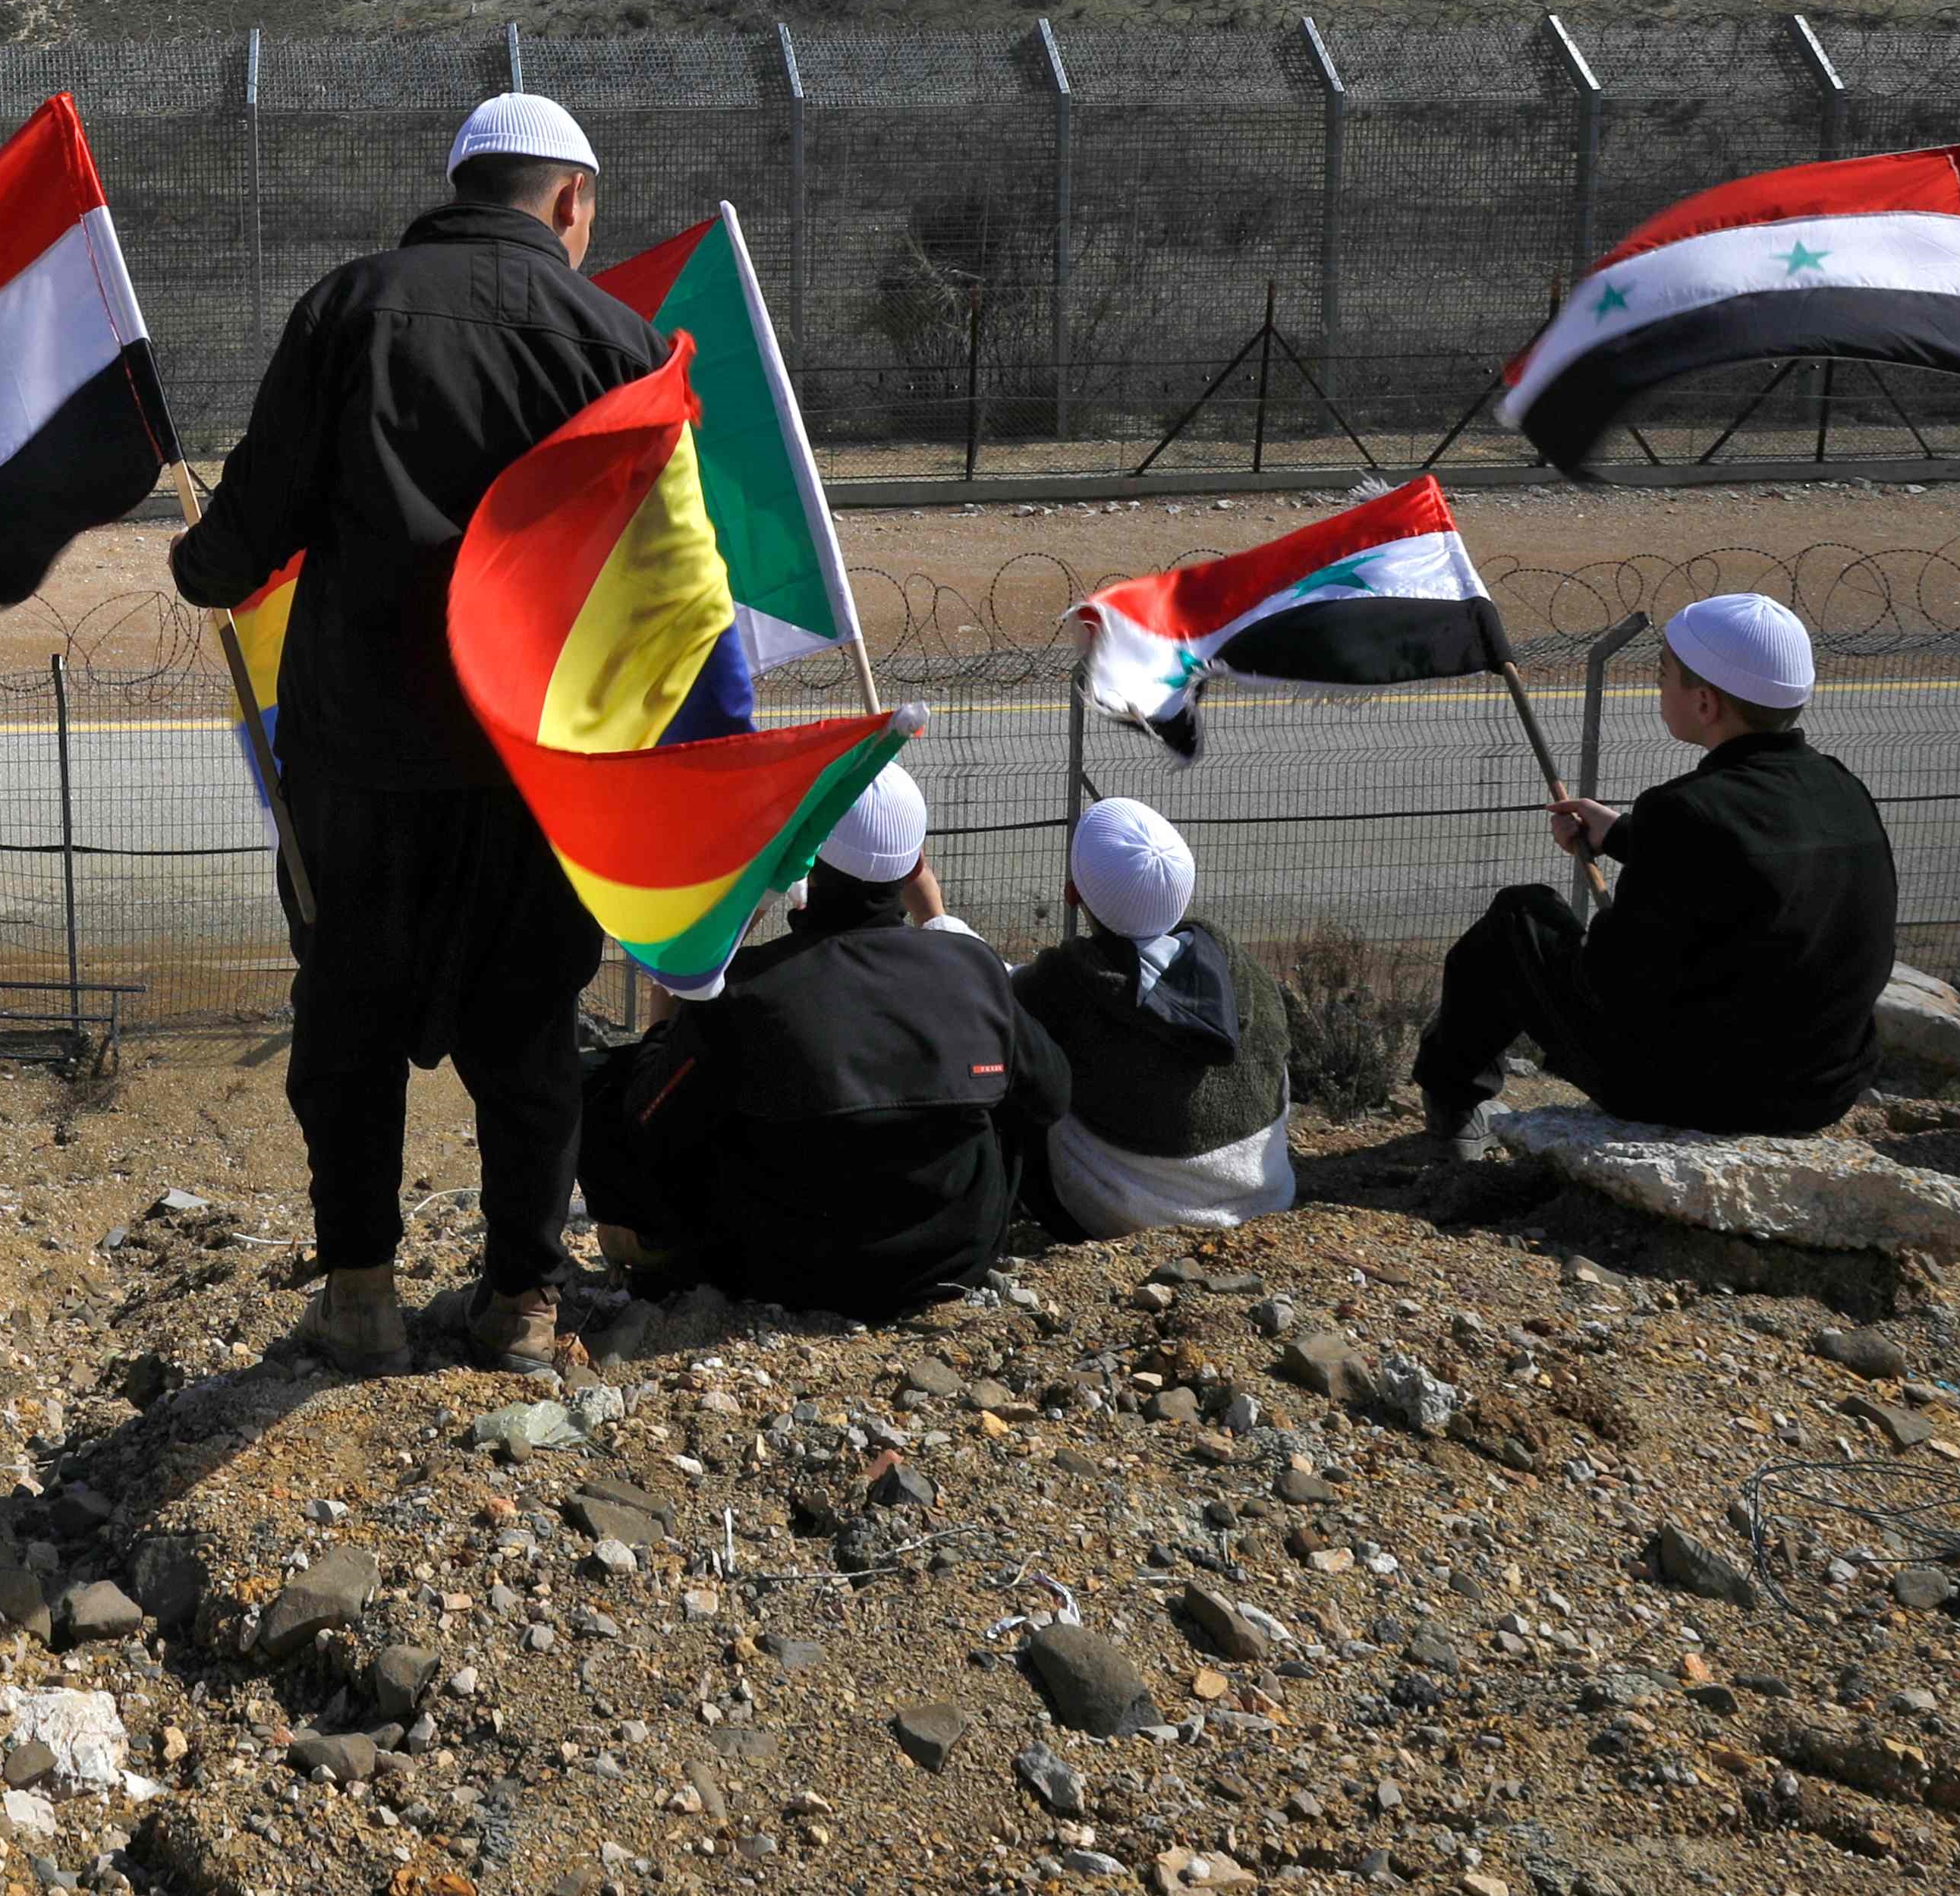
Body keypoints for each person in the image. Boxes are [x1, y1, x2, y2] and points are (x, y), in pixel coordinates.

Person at [168, 91, 669, 1376]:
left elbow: (242, 547)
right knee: (529, 1039)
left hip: (360, 763)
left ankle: (360, 1297)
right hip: (536, 770)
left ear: (459, 187)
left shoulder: (346, 309)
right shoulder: (620, 344)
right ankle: (521, 1306)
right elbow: (662, 585)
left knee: (349, 1025)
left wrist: (199, 558)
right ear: (568, 201)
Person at [574, 773, 1073, 1323]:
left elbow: (650, 1119)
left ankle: (650, 1250)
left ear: (804, 860)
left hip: (783, 1269)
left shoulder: (747, 989)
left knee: (603, 1079)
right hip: (954, 1258)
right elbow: (1049, 1096)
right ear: (913, 866)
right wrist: (940, 923)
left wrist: (674, 997)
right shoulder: (973, 969)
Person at [1413, 592, 1896, 1145]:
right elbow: (1749, 861)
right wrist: (1619, 835)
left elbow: (1612, 979)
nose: (1657, 688)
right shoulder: (1839, 788)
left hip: (1696, 1096)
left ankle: (1451, 1098)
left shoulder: (1683, 810)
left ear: (1706, 704)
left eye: (1664, 675)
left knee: (1519, 917)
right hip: (1823, 1092)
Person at [1013, 797, 1295, 1236]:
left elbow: (1000, 1004)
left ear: (1072, 894)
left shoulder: (1060, 986)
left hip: (1120, 1213)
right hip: (1266, 1196)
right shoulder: (1246, 974)